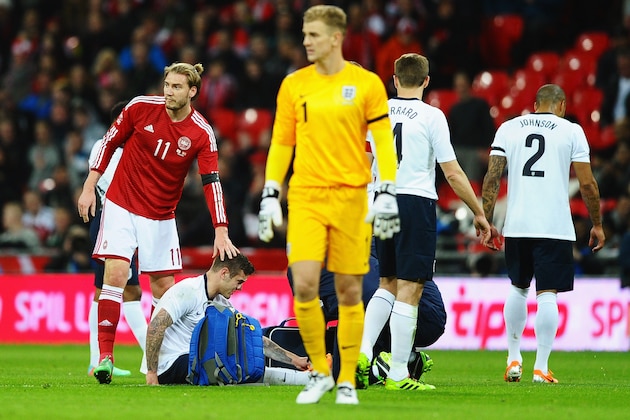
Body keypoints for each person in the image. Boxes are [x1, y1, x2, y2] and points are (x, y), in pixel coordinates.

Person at [257, 5, 400, 405]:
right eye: (304, 34)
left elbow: (383, 142)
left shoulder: (367, 84)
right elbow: (282, 142)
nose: (305, 41)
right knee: (304, 285)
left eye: (313, 35)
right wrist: (271, 191)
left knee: (350, 292)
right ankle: (320, 370)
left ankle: (347, 379)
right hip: (305, 197)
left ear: (336, 37)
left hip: (352, 197)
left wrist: (386, 189)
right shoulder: (293, 85)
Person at [77, 62, 240, 385]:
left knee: (164, 289)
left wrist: (221, 228)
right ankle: (105, 358)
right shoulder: (140, 108)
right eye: (167, 85)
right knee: (116, 274)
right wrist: (88, 186)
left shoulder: (201, 132)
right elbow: (108, 143)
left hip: (162, 215)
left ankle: (160, 360)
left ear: (193, 92)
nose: (168, 92)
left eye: (177, 87)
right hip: (122, 203)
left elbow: (211, 181)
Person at [356, 53, 491, 391]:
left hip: (381, 199)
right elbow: (453, 173)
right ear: (427, 81)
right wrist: (478, 211)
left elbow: (365, 161)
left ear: (395, 79)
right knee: (411, 286)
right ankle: (398, 373)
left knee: (386, 281)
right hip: (415, 202)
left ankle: (361, 353)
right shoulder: (433, 116)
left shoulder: (379, 111)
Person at [481, 84, 606, 384]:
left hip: (518, 223)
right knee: (547, 294)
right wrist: (597, 223)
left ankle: (513, 358)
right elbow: (587, 184)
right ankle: (541, 366)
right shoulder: (571, 131)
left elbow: (492, 176)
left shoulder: (509, 128)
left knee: (517, 288)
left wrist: (486, 220)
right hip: (554, 226)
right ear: (561, 105)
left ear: (535, 104)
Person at [288, 240, 447, 385]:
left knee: (343, 370)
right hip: (429, 317)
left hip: (357, 274)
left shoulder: (305, 264)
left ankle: (381, 367)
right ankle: (402, 358)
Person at [145, 253, 311, 386]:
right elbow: (156, 326)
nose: (240, 288)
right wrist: (152, 373)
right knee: (232, 365)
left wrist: (294, 359)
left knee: (243, 356)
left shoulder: (221, 302)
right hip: (169, 364)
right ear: (224, 273)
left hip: (194, 360)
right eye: (239, 281)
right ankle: (303, 380)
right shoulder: (187, 291)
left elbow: (250, 338)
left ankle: (301, 377)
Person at [86, 101, 147, 378]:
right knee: (107, 290)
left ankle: (150, 353)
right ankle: (99, 358)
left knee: (129, 291)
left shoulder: (132, 150)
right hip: (110, 222)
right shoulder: (103, 147)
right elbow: (117, 187)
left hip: (130, 222)